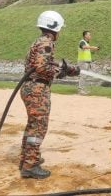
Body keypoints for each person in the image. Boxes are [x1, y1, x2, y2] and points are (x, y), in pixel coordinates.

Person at [19, 11, 80, 179]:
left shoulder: (40, 41)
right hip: (37, 90)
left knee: (32, 125)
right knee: (38, 127)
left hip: (30, 88)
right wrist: (61, 71)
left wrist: (66, 69)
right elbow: (42, 67)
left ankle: (27, 159)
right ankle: (30, 166)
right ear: (54, 27)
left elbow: (45, 63)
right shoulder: (47, 42)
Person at [77, 30, 99, 95]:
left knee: (84, 76)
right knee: (83, 76)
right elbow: (83, 47)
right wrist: (93, 47)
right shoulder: (82, 42)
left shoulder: (87, 43)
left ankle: (82, 89)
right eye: (89, 35)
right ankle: (80, 90)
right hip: (82, 62)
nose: (90, 36)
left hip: (86, 62)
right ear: (85, 35)